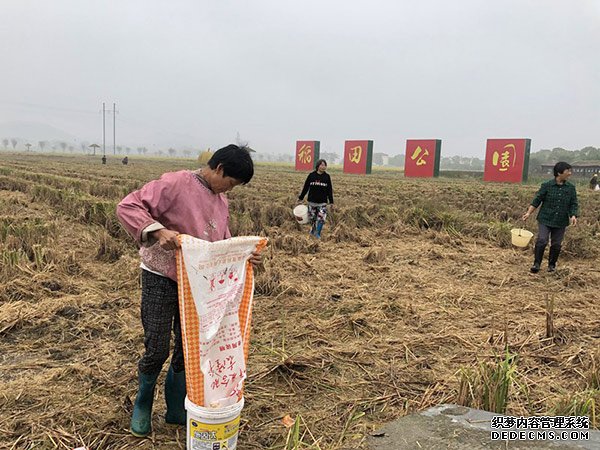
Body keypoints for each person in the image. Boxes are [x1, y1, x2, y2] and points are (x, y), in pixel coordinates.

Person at [116, 144, 262, 437]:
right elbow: (128, 206)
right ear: (219, 168)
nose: (229, 191)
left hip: (199, 284)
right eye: (230, 183)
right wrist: (159, 231)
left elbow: (221, 243)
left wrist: (245, 255)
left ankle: (176, 407)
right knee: (156, 346)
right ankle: (143, 403)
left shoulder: (221, 202)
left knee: (189, 347)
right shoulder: (175, 183)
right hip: (162, 275)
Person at [522, 161, 578, 273]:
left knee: (556, 244)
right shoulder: (547, 185)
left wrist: (573, 215)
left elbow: (573, 203)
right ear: (559, 173)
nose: (570, 173)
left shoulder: (571, 188)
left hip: (560, 221)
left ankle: (552, 265)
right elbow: (537, 200)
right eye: (568, 171)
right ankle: (536, 264)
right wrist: (528, 213)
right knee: (542, 240)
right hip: (545, 219)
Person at [297, 159, 334, 238]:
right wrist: (301, 198)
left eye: (325, 165)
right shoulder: (311, 175)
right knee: (312, 219)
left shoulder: (327, 177)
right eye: (322, 165)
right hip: (312, 201)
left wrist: (331, 202)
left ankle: (318, 233)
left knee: (321, 218)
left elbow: (329, 190)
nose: (323, 167)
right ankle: (313, 231)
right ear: (318, 166)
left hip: (322, 202)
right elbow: (306, 187)